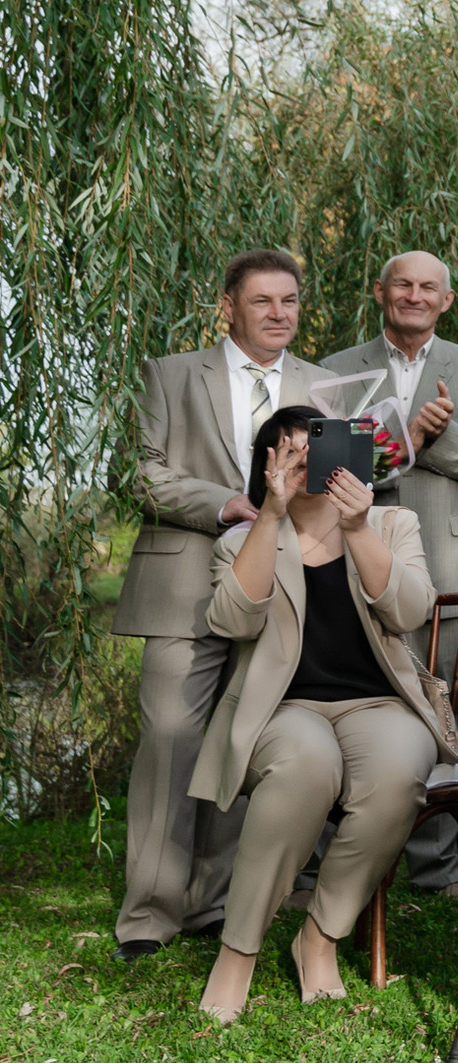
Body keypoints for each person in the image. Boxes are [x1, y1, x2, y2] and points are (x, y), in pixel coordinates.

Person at [187, 407, 448, 1022]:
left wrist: (358, 529)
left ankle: (321, 936)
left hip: (377, 704)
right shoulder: (240, 540)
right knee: (308, 761)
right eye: (289, 450)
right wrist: (272, 515)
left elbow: (410, 610)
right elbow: (232, 621)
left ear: (349, 456)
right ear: (267, 464)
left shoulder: (391, 521)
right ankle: (238, 951)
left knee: (397, 770)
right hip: (282, 709)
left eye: (317, 446)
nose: (305, 460)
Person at [117, 250, 326, 962]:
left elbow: (337, 483)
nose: (279, 314)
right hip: (181, 583)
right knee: (171, 739)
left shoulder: (323, 386)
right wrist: (225, 504)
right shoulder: (172, 373)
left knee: (244, 736)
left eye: (290, 301)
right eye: (263, 301)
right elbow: (144, 474)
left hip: (275, 585)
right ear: (228, 307)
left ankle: (210, 902)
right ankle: (148, 914)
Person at [323, 250, 458, 897]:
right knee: (350, 699)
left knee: (441, 710)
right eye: (402, 283)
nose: (414, 294)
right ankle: (336, 857)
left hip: (448, 560)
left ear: (447, 301)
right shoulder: (335, 370)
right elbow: (331, 472)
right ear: (380, 292)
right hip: (359, 554)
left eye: (428, 287)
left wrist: (444, 432)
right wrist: (406, 443)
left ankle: (436, 870)